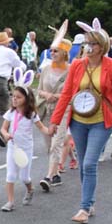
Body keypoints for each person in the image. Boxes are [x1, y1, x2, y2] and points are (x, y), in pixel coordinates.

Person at [49, 22, 112, 224]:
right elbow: (67, 94)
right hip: (78, 120)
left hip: (101, 121)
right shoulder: (78, 65)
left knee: (89, 163)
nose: (89, 47)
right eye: (87, 43)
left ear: (102, 46)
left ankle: (85, 207)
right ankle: (89, 201)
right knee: (82, 163)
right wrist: (55, 121)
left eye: (93, 44)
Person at [0, 82, 49, 211]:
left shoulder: (31, 114)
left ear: (26, 99)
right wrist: (5, 134)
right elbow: (3, 128)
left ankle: (30, 189)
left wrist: (50, 132)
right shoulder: (10, 112)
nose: (14, 99)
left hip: (26, 149)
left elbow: (41, 127)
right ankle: (10, 202)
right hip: (12, 148)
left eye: (18, 97)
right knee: (10, 175)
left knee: (24, 177)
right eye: (13, 96)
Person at [36, 39, 73, 191]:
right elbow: (38, 89)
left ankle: (49, 176)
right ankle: (56, 173)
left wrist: (57, 96)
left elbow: (73, 92)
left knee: (56, 143)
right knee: (48, 143)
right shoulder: (46, 69)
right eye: (51, 50)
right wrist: (46, 94)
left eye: (56, 51)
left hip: (63, 109)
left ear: (64, 52)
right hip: (46, 109)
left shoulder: (71, 70)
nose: (52, 53)